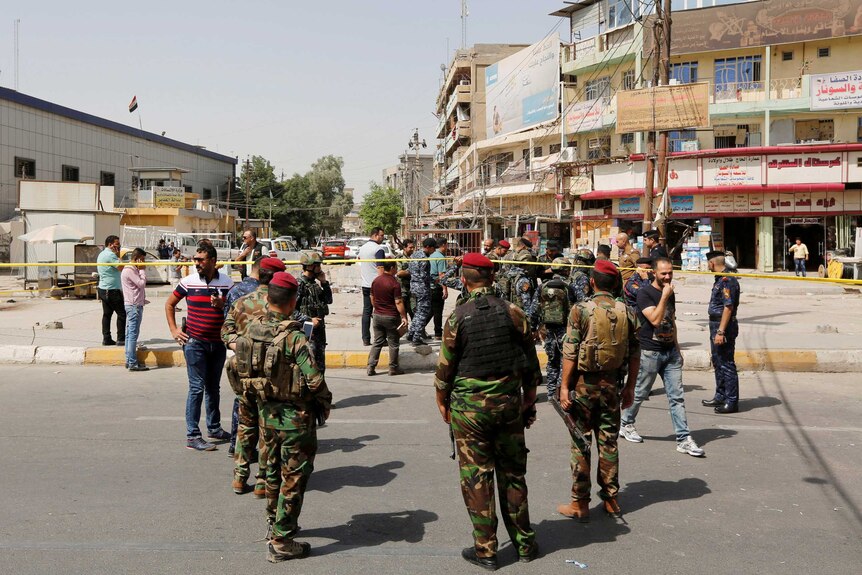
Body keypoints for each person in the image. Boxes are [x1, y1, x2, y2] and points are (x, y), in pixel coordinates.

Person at [434, 253, 540, 570]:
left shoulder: (458, 317)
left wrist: (442, 402)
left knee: (476, 479)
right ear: (492, 279)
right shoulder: (513, 312)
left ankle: (487, 551)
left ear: (464, 280)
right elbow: (530, 363)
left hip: (469, 411)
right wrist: (528, 401)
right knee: (513, 475)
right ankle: (524, 544)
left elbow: (445, 369)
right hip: (508, 404)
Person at [226, 271, 332, 562]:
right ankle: (282, 541)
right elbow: (314, 380)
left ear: (269, 298)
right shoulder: (293, 337)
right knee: (294, 477)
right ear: (292, 301)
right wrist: (325, 403)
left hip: (264, 413)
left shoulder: (251, 331)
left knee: (271, 470)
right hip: (295, 418)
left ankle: (276, 521)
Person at [557, 259, 640, 521]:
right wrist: (629, 388)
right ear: (616, 283)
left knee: (581, 443)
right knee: (609, 442)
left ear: (592, 282)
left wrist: (564, 387)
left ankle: (579, 503)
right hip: (612, 386)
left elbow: (570, 351)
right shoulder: (627, 311)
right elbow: (636, 354)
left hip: (584, 386)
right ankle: (611, 499)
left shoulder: (581, 310)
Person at [619, 257, 705, 457]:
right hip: (650, 351)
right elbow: (656, 319)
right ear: (654, 273)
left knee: (677, 397)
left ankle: (683, 439)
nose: (667, 277)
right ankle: (626, 424)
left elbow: (671, 320)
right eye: (663, 274)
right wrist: (665, 295)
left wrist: (677, 347)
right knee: (639, 392)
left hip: (670, 352)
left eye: (670, 273)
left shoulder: (669, 292)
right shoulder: (644, 293)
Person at [222, 257, 287, 493]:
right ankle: (263, 480)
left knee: (245, 425)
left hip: (244, 373)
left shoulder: (241, 303)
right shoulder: (278, 305)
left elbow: (226, 332)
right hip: (271, 377)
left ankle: (239, 477)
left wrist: (240, 347)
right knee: (266, 428)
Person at [165, 242, 234, 452]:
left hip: (218, 343)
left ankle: (214, 428)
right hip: (195, 344)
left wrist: (223, 305)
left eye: (201, 260)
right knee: (197, 388)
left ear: (213, 261)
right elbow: (169, 304)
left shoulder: (227, 283)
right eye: (195, 259)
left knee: (214, 388)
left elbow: (235, 308)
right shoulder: (188, 282)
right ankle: (192, 435)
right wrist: (174, 330)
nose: (197, 263)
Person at [702, 251, 741, 414]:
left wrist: (721, 331)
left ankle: (731, 401)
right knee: (718, 361)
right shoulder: (720, 278)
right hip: (716, 323)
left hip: (722, 325)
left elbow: (728, 307)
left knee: (726, 363)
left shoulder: (727, 280)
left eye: (708, 264)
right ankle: (720, 395)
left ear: (712, 263)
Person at [538, 257, 573, 401]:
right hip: (565, 330)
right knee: (563, 361)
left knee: (552, 361)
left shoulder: (543, 286)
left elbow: (535, 308)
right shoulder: (569, 286)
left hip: (549, 330)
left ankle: (551, 393)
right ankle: (560, 391)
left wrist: (535, 327)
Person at [367, 260, 409, 376]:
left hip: (377, 315)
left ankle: (371, 367)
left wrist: (377, 308)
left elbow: (372, 297)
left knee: (378, 342)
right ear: (391, 268)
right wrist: (404, 316)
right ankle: (393, 368)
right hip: (391, 316)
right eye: (395, 267)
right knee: (393, 343)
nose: (396, 269)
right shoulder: (394, 283)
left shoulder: (376, 280)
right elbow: (398, 302)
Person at [297, 251, 333, 371]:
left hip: (319, 328)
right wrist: (308, 320)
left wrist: (324, 283)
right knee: (308, 362)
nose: (320, 268)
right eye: (318, 265)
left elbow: (328, 300)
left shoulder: (314, 284)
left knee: (319, 364)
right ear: (310, 266)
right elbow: (291, 310)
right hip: (306, 327)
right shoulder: (299, 284)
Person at [121, 248, 149, 372]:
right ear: (137, 258)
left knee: (130, 334)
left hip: (133, 304)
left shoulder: (131, 269)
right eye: (142, 260)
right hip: (134, 306)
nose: (144, 262)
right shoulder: (130, 270)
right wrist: (142, 270)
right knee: (132, 334)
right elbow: (141, 284)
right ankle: (132, 362)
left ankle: (129, 360)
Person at [406, 238, 437, 346]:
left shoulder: (414, 255)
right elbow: (424, 276)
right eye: (433, 249)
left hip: (413, 286)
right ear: (428, 247)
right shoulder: (424, 258)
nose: (434, 251)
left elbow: (410, 270)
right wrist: (434, 279)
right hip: (422, 288)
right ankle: (417, 337)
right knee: (423, 313)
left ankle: (411, 334)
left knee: (418, 312)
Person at [97, 235, 125, 346]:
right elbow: (121, 267)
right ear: (111, 245)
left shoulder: (102, 253)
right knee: (122, 314)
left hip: (104, 288)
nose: (119, 247)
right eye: (117, 245)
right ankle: (121, 339)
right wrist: (118, 255)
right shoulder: (110, 255)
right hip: (112, 289)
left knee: (107, 314)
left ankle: (106, 338)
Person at [359, 227, 386, 345]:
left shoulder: (363, 248)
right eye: (381, 235)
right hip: (376, 286)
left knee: (366, 312)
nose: (383, 238)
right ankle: (380, 339)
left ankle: (365, 339)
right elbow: (380, 268)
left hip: (365, 284)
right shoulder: (378, 249)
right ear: (375, 235)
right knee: (381, 312)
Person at [429, 238, 449, 340]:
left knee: (430, 310)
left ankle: (419, 329)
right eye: (447, 245)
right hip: (437, 288)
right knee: (437, 312)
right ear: (443, 245)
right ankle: (437, 333)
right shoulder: (440, 257)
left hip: (429, 286)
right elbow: (442, 275)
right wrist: (445, 289)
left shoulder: (431, 255)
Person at [396, 238, 415, 320]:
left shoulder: (413, 258)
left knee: (414, 311)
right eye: (410, 247)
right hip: (402, 289)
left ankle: (416, 331)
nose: (412, 249)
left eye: (413, 247)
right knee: (402, 313)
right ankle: (403, 331)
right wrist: (411, 271)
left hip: (412, 289)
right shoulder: (400, 258)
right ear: (404, 248)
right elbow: (399, 273)